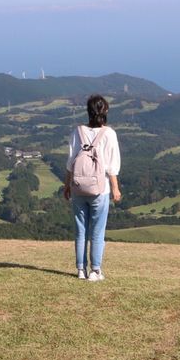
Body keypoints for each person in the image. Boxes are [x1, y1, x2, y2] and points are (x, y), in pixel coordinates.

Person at [63, 94, 122, 281]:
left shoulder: (77, 132)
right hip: (100, 190)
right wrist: (115, 189)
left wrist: (67, 185)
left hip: (78, 188)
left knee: (80, 230)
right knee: (97, 231)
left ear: (88, 111)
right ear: (105, 111)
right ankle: (95, 271)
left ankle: (81, 270)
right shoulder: (109, 134)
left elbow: (70, 162)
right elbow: (112, 166)